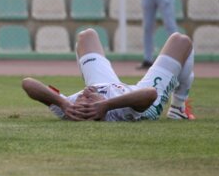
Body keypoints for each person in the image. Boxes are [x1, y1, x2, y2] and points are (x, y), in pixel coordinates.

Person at [21, 28, 195, 122]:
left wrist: (63, 103)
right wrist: (106, 105)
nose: (83, 96)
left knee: (86, 36)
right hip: (135, 96)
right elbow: (150, 94)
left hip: (105, 85)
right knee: (182, 41)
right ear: (96, 110)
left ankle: (179, 108)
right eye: (87, 102)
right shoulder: (116, 111)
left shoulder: (71, 108)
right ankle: (178, 107)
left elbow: (27, 83)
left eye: (81, 99)